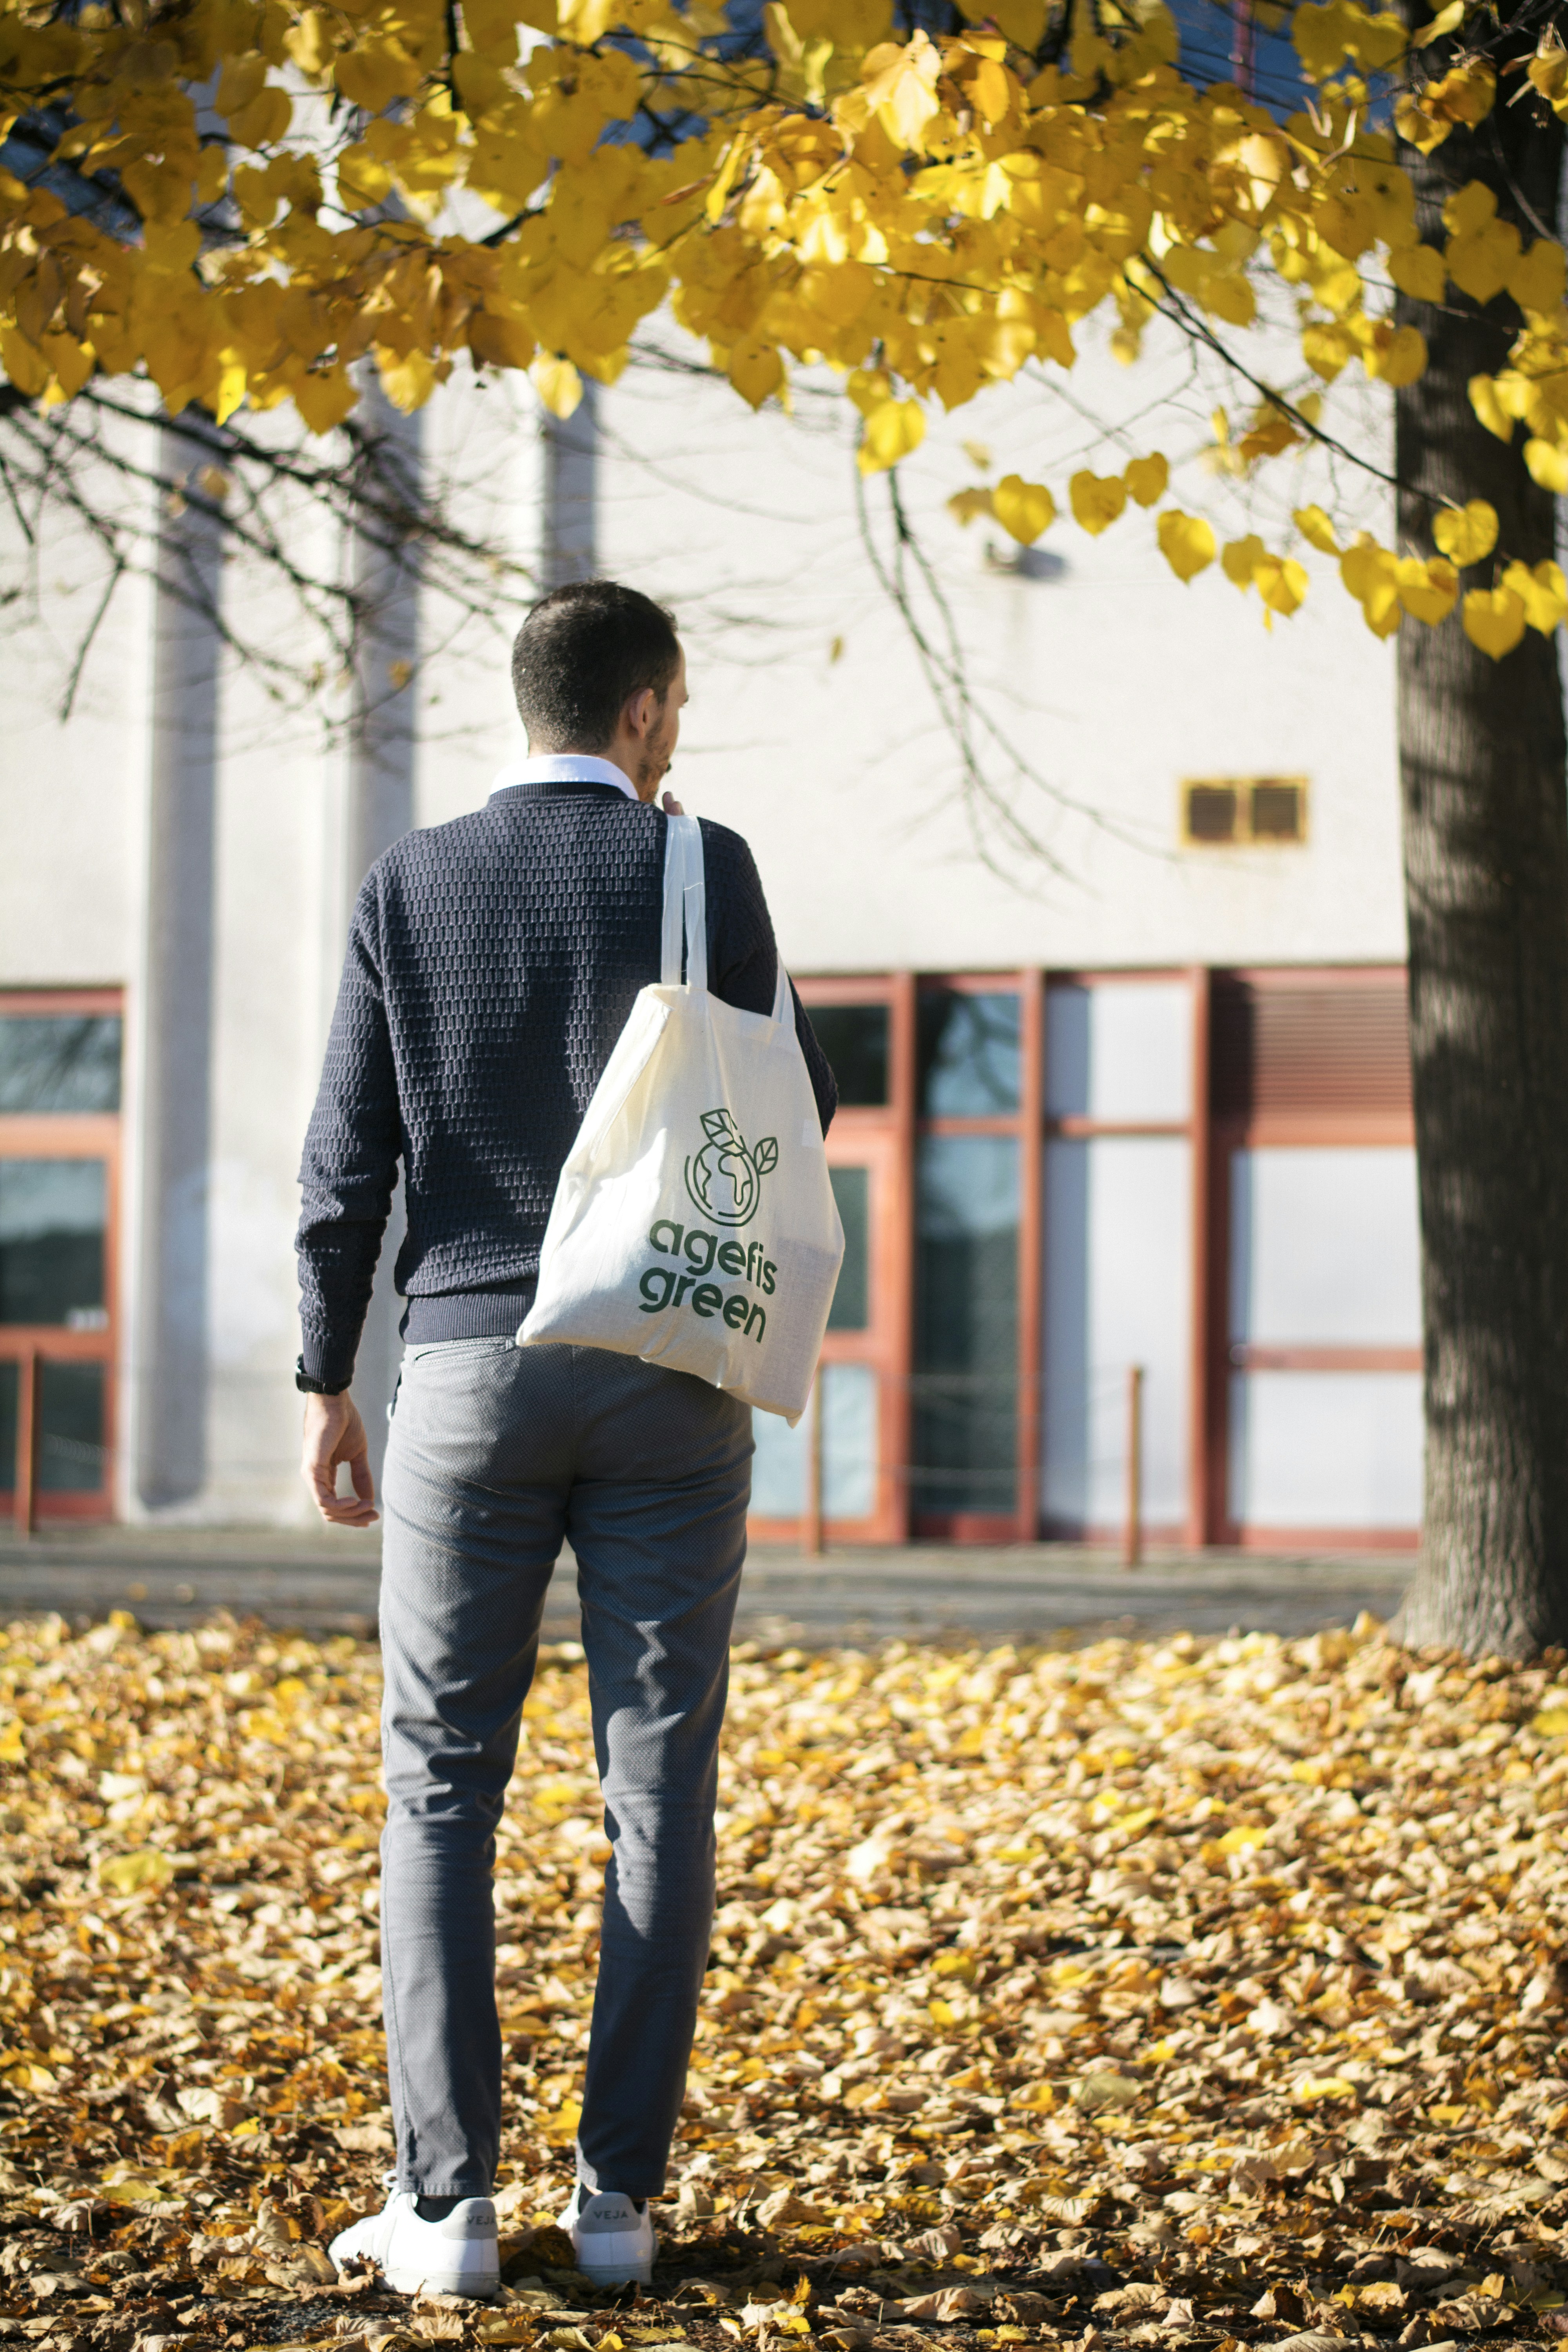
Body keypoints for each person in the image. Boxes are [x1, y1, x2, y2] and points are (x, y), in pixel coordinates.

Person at [295, 582, 837, 2301]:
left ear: (525, 705)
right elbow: (772, 1103)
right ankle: (615, 2207)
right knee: (655, 1785)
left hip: (460, 1367)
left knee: (440, 1789)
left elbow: (345, 1156)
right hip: (667, 1364)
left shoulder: (411, 881)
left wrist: (330, 1373)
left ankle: (444, 2213)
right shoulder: (708, 871)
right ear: (650, 711)